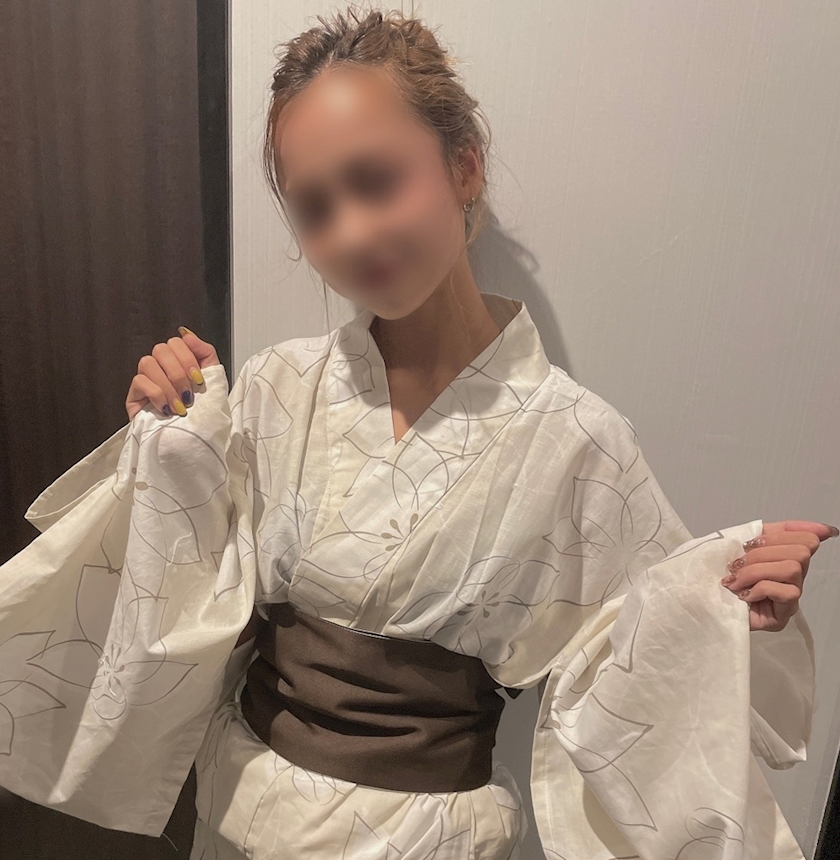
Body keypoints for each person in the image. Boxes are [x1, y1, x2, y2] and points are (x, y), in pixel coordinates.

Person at [0, 7, 830, 859]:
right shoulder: (276, 388)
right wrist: (174, 449)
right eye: (315, 208)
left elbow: (626, 659)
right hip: (240, 804)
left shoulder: (578, 439)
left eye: (376, 182)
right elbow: (200, 600)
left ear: (464, 165)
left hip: (427, 836)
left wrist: (722, 610)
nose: (351, 232)